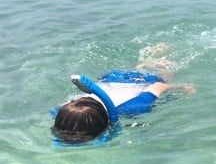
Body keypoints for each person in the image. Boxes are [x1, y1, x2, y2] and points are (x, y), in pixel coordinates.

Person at [52, 44, 195, 145]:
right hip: (110, 78)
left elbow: (159, 86)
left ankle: (159, 59)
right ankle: (144, 63)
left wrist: (183, 87)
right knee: (137, 71)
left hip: (139, 81)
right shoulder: (64, 112)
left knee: (166, 76)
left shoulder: (132, 108)